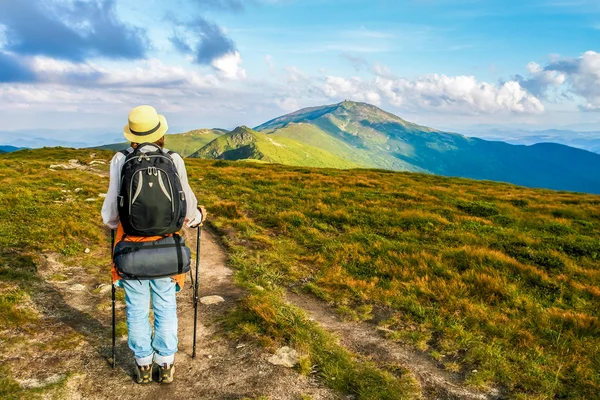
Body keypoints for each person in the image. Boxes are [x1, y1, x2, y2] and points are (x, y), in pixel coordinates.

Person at [101, 105, 206, 384]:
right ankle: (167, 363)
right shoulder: (173, 158)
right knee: (165, 306)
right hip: (167, 251)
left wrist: (121, 224)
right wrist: (198, 218)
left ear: (132, 134)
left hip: (130, 251)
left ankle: (143, 365)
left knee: (136, 308)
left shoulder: (120, 159)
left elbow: (110, 216)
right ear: (160, 132)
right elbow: (187, 210)